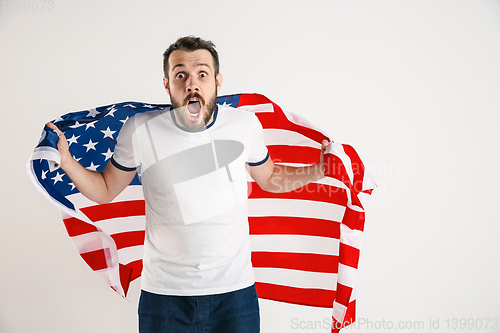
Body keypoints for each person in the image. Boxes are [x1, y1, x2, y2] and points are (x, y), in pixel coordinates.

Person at [47, 35, 329, 333]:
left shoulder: (244, 125)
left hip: (234, 295)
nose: (191, 83)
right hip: (164, 297)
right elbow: (105, 190)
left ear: (218, 81)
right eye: (180, 74)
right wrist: (67, 161)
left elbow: (270, 178)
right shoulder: (141, 129)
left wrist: (319, 170)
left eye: (202, 74)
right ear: (167, 84)